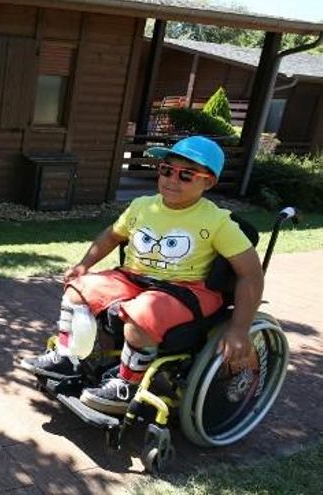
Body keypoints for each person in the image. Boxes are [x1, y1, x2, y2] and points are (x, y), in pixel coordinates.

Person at [19, 136, 263, 415]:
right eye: (166, 170)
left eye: (186, 175)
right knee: (77, 289)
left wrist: (239, 329)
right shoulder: (142, 206)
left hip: (185, 288)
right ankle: (67, 358)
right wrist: (84, 265)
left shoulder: (218, 221)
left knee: (141, 315)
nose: (172, 180)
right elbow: (111, 236)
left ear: (208, 182)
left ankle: (125, 386)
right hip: (134, 278)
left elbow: (251, 275)